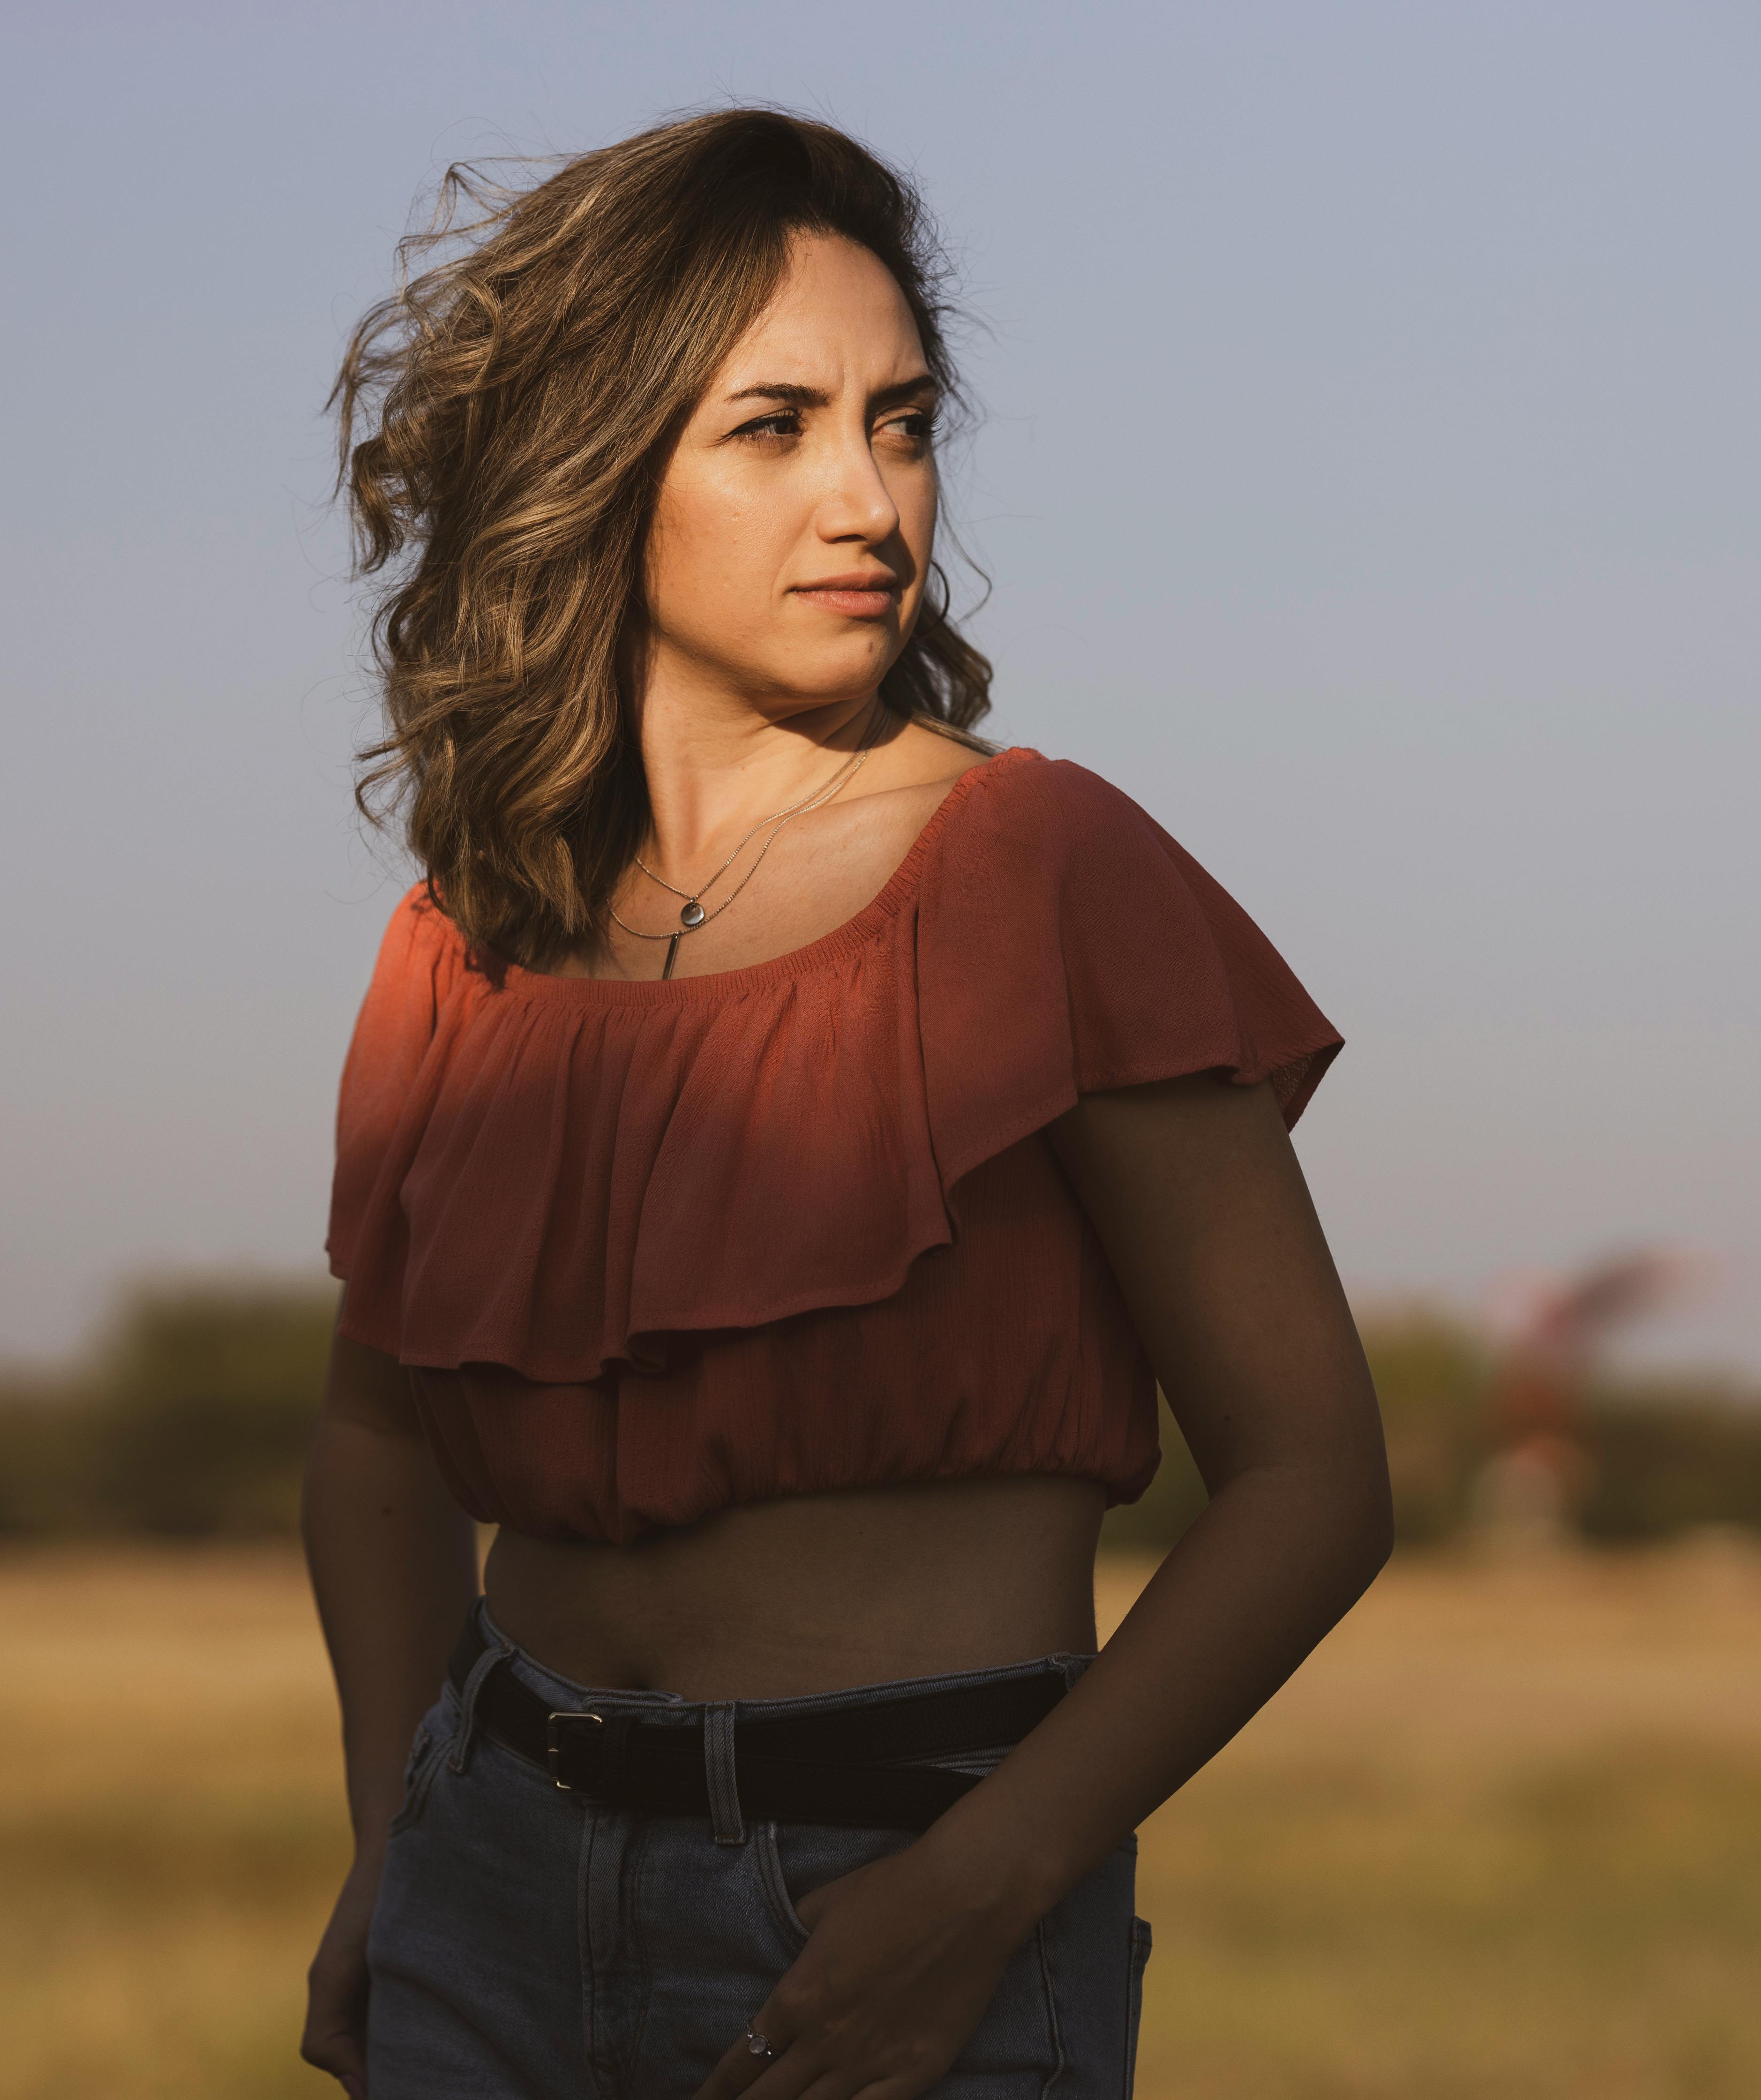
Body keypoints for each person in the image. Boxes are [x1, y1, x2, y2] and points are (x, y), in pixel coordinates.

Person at [300, 108, 1392, 2100]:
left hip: (896, 1910)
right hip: (489, 1887)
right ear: (597, 465)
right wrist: (392, 1828)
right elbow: (375, 1446)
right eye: (775, 425)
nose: (871, 498)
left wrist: (986, 1885)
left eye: (902, 421)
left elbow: (1317, 1480)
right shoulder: (467, 936)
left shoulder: (1041, 869)